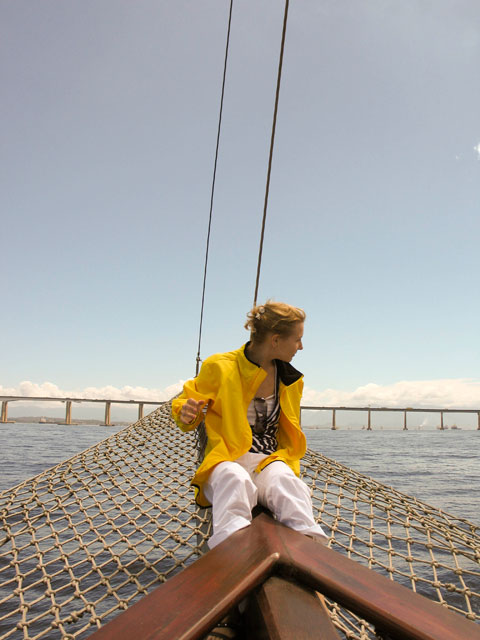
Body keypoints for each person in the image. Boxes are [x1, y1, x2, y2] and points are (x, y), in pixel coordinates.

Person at [171, 300, 328, 549]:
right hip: (227, 458)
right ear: (275, 340)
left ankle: (310, 552)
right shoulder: (219, 366)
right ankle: (232, 553)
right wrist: (186, 412)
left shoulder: (290, 381)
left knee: (288, 485)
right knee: (234, 480)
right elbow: (185, 403)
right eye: (297, 339)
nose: (301, 346)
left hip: (268, 462)